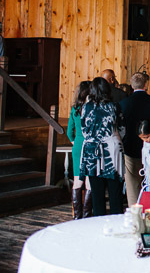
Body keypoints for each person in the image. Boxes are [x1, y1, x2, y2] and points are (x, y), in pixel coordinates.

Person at [79, 77, 125, 216]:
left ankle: (98, 223)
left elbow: (83, 129)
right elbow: (123, 129)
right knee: (115, 192)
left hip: (91, 150)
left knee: (97, 194)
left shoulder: (86, 107)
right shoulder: (114, 106)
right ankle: (116, 222)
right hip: (111, 149)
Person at [118, 72, 150, 207]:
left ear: (132, 86)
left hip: (129, 148)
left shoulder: (123, 104)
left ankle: (135, 209)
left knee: (132, 183)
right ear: (146, 84)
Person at [67, 80, 92, 219]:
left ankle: (77, 215)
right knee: (89, 180)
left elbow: (69, 132)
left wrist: (76, 142)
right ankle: (87, 215)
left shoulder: (75, 109)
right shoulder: (92, 109)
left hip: (77, 146)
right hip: (89, 145)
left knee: (77, 180)